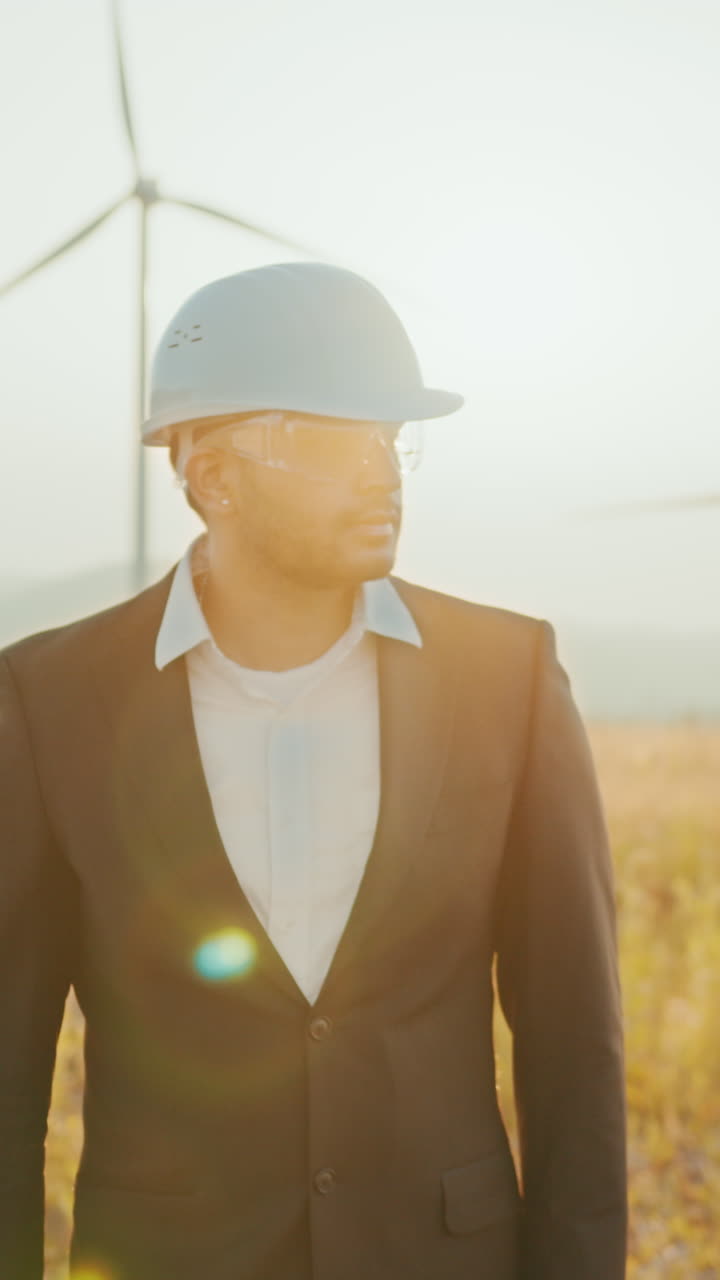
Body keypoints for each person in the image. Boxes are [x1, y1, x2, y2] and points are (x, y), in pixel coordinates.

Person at [0, 261, 627, 1280]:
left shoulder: (507, 678)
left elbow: (575, 1051)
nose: (380, 470)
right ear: (211, 472)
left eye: (392, 438)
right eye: (336, 437)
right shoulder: (47, 697)